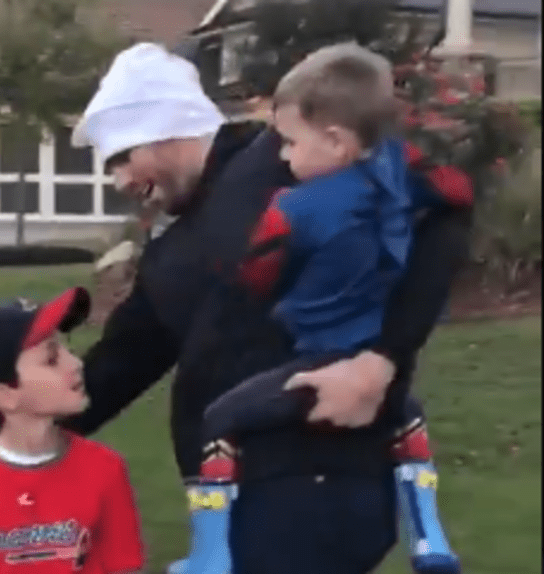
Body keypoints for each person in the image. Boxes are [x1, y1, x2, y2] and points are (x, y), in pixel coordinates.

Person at [0, 43, 472, 574]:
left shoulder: (286, 152)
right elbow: (113, 372)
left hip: (323, 483)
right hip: (246, 506)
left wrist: (380, 362)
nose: (119, 182)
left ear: (160, 129)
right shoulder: (170, 257)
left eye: (121, 158)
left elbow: (443, 217)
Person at [188, 44, 462, 574]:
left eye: (290, 142)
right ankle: (429, 536)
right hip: (376, 349)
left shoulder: (295, 208)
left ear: (335, 140)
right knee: (404, 415)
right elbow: (457, 191)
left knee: (220, 419)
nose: (284, 158)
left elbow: (253, 275)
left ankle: (209, 554)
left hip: (314, 355)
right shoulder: (400, 177)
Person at [0, 287, 147, 574]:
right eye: (52, 360)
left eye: (68, 350)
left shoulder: (106, 469)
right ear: (6, 396)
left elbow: (123, 566)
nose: (76, 364)